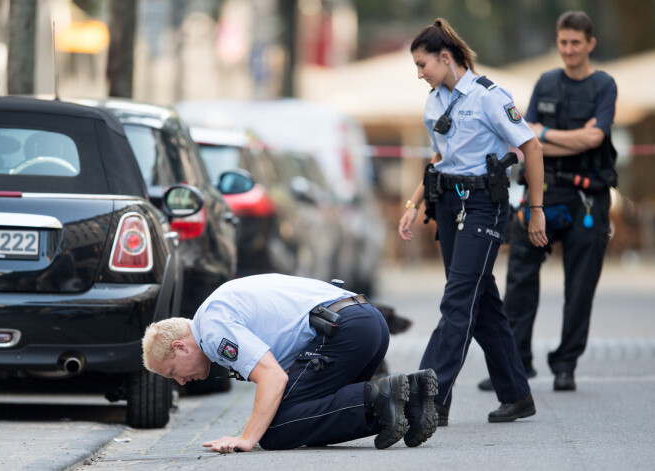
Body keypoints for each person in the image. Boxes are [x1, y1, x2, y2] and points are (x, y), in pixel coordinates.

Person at [398, 18, 548, 426]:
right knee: (481, 304)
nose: (419, 73)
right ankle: (517, 394)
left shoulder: (489, 97)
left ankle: (427, 398)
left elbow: (531, 147)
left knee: (458, 300)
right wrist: (414, 202)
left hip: (484, 204)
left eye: (422, 64)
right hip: (447, 203)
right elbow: (438, 159)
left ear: (445, 57)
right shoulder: (434, 100)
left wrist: (536, 209)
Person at [477, 11, 618, 393]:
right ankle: (515, 362)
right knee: (520, 277)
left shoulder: (605, 85)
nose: (569, 50)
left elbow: (594, 140)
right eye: (563, 43)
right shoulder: (546, 82)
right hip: (544, 192)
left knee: (581, 285)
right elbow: (528, 135)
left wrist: (549, 134)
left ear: (590, 43)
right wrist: (571, 135)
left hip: (588, 199)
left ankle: (566, 364)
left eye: (576, 42)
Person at [142, 273, 439, 452]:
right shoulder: (214, 309)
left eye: (172, 373)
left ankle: (382, 398)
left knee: (275, 429)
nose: (180, 382)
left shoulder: (213, 330)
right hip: (369, 320)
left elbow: (273, 378)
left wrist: (247, 437)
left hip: (346, 330)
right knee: (303, 412)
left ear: (180, 347)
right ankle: (411, 398)